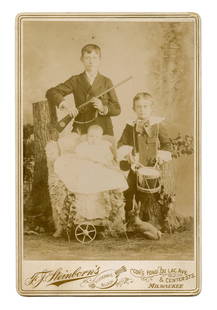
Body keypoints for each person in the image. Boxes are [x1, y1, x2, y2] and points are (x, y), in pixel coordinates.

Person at [117, 92, 172, 221]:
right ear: (134, 109)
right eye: (139, 107)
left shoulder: (157, 125)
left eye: (145, 106)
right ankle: (130, 220)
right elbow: (121, 143)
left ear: (151, 107)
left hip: (152, 166)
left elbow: (167, 144)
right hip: (135, 165)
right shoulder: (130, 126)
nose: (142, 110)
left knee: (151, 195)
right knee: (129, 190)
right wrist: (127, 154)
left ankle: (149, 219)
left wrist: (161, 156)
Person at [54, 125, 128, 219]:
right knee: (83, 175)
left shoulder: (104, 146)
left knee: (109, 176)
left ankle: (102, 211)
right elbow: (79, 156)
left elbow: (108, 158)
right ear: (87, 136)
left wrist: (105, 162)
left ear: (100, 137)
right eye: (91, 136)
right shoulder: (83, 145)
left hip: (99, 166)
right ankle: (83, 210)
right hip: (86, 166)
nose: (93, 139)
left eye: (96, 137)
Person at [46, 44, 121, 136]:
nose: (91, 61)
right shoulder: (75, 80)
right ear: (82, 60)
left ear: (100, 60)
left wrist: (103, 108)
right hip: (82, 127)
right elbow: (51, 92)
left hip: (103, 129)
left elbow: (117, 109)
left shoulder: (106, 81)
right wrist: (66, 105)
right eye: (87, 58)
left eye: (94, 58)